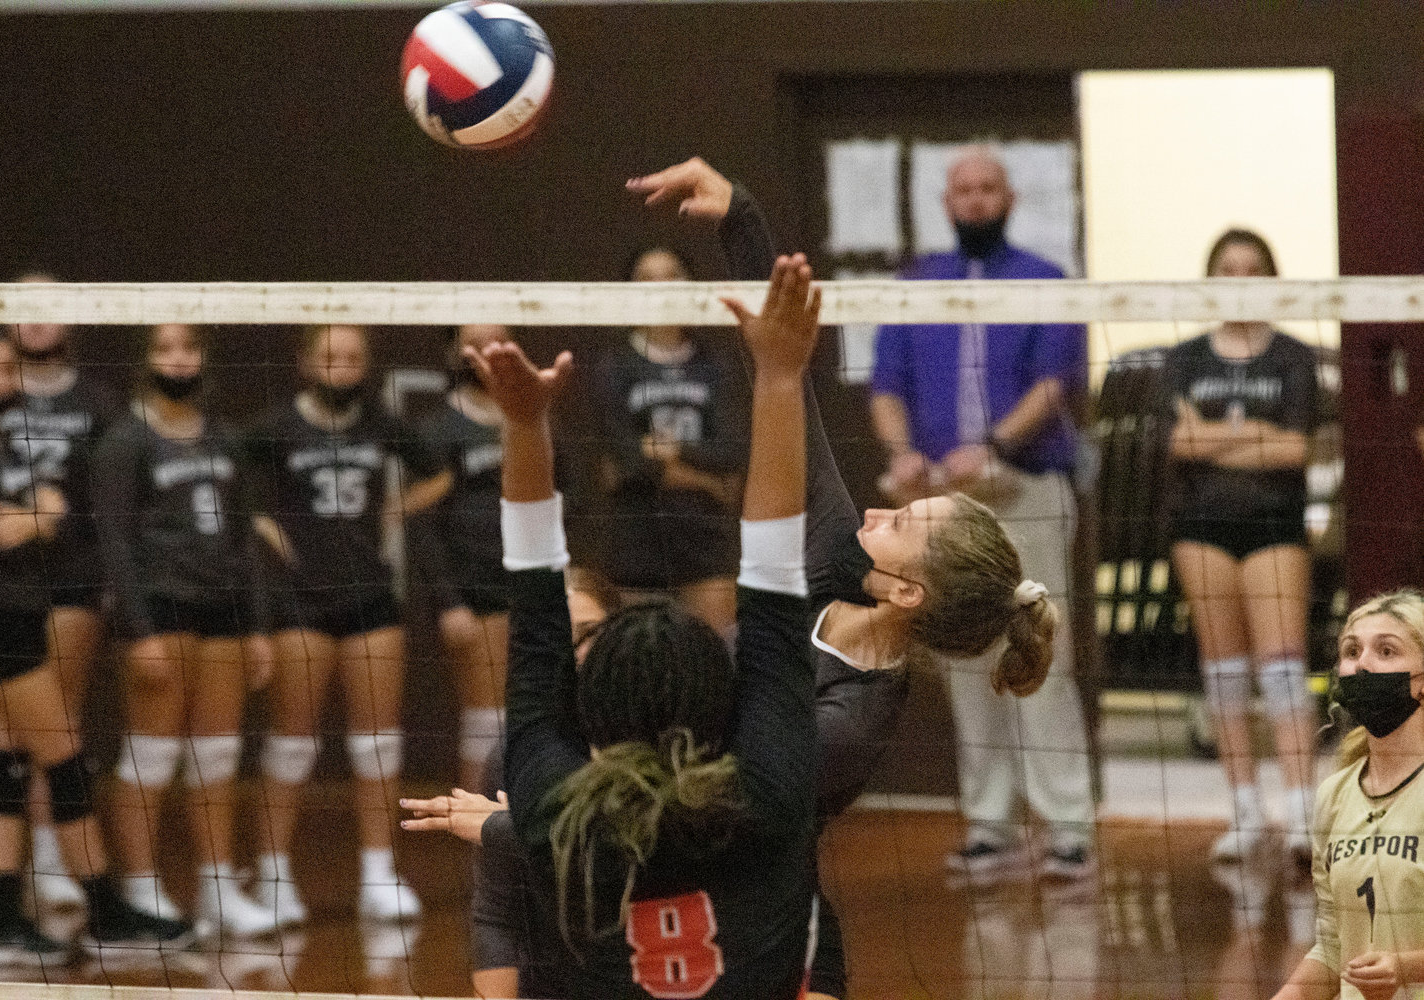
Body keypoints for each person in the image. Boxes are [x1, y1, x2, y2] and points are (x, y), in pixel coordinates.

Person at [403, 158, 1066, 999]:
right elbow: (790, 393)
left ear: (909, 594)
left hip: (741, 901)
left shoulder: (847, 726)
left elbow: (686, 809)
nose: (872, 515)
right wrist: (740, 221)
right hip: (640, 839)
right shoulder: (839, 566)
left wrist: (520, 826)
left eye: (898, 526)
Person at [468, 252, 821, 998]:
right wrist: (785, 378)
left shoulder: (555, 818)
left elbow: (535, 620)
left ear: (586, 706)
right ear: (723, 701)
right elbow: (776, 576)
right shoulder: (773, 797)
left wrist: (525, 425)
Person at [0, 329, 195, 965]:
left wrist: (36, 510)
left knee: (6, 773)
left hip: (7, 618)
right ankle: (105, 911)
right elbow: (2, 532)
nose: (0, 382)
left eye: (6, 370)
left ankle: (1, 924)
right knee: (66, 765)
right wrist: (45, 512)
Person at [869, 144, 1095, 878]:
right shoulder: (915, 284)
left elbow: (1055, 385)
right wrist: (903, 454)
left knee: (1042, 650)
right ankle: (991, 823)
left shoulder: (1045, 281)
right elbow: (886, 385)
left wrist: (991, 444)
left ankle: (1066, 825)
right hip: (942, 503)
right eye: (962, 189)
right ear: (946, 201)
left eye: (987, 188)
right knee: (962, 657)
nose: (975, 200)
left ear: (1008, 198)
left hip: (1024, 490)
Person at [244, 324, 437, 924]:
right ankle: (272, 872)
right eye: (330, 356)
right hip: (301, 602)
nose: (343, 367)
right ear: (306, 363)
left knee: (378, 744)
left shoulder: (382, 424)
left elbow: (441, 472)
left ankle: (378, 872)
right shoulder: (275, 428)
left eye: (354, 358)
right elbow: (239, 494)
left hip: (372, 596)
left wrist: (394, 510)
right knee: (293, 743)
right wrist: (272, 535)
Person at [94, 323, 274, 938]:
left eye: (189, 348)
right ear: (145, 360)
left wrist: (257, 624)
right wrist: (138, 629)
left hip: (223, 607)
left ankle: (217, 887)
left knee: (218, 755)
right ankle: (142, 889)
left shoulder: (225, 438)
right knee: (151, 755)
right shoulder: (125, 442)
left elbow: (244, 535)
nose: (178, 360)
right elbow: (113, 541)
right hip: (160, 608)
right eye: (165, 349)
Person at [1162, 229, 1320, 862]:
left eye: (1253, 269)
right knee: (1223, 677)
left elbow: (1297, 447)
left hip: (1274, 524)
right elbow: (1178, 444)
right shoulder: (1184, 358)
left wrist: (1220, 436)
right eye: (1228, 269)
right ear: (1211, 280)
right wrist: (1258, 435)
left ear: (1271, 279)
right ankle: (1245, 813)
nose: (1240, 279)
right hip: (1200, 526)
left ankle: (1303, 815)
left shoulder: (1294, 358)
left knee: (1282, 671)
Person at [2, 272, 119, 912]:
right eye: (23, 308)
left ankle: (51, 850)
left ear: (71, 320)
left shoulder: (99, 406)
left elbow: (109, 506)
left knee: (58, 718)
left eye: (49, 309)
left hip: (69, 578)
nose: (37, 320)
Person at [1271, 590, 1424, 1000]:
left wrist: (1405, 967)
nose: (1362, 664)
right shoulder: (1333, 795)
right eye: (1351, 650)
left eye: (1386, 651)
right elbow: (1333, 946)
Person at [592, 246, 748, 637]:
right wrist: (709, 481)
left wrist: (672, 450)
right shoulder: (615, 367)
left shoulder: (716, 366)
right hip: (638, 535)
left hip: (705, 539)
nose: (661, 287)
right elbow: (625, 463)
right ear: (629, 291)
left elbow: (731, 451)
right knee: (644, 664)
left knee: (716, 658)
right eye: (648, 278)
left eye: (672, 274)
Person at [414, 324, 516, 794]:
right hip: (476, 593)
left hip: (532, 585)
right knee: (485, 722)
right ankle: (480, 844)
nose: (484, 353)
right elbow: (422, 523)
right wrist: (450, 601)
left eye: (495, 340)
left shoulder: (531, 416)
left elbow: (567, 499)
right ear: (453, 352)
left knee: (532, 718)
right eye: (472, 343)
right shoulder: (437, 430)